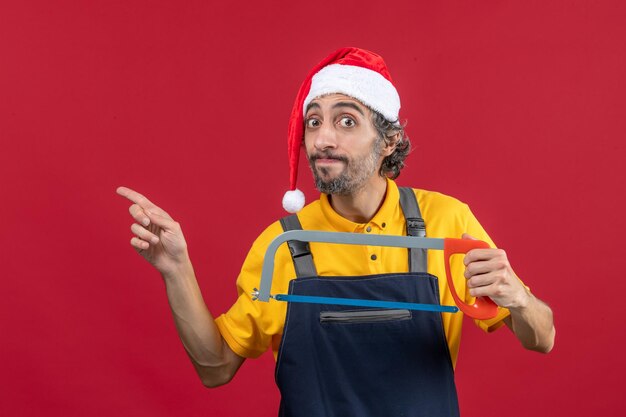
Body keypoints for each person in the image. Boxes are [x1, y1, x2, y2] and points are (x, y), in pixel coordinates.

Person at [117, 47, 555, 416]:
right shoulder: (283, 245)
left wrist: (518, 298)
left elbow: (543, 338)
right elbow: (215, 369)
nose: (322, 138)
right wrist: (176, 269)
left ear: (388, 142)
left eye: (346, 121)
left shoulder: (448, 223)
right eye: (313, 122)